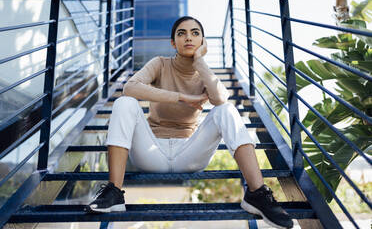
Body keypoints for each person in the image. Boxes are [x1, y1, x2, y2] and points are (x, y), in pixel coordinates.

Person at [88, 16, 293, 228]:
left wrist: (200, 62)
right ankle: (114, 192)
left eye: (195, 33)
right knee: (125, 103)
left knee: (226, 110)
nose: (188, 37)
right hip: (151, 152)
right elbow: (130, 88)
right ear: (172, 42)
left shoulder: (205, 74)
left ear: (203, 42)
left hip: (189, 154)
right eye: (181, 33)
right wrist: (180, 97)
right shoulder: (160, 64)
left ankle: (256, 194)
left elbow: (221, 100)